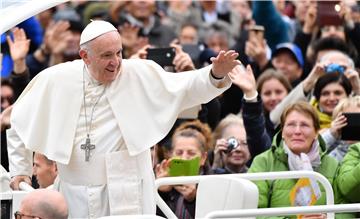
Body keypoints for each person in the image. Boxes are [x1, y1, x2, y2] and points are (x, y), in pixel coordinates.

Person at [7, 20, 239, 218]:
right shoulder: (56, 79)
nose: (116, 62)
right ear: (84, 56)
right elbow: (19, 120)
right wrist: (20, 169)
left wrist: (215, 73)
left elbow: (186, 87)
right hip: (74, 190)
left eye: (119, 53)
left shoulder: (138, 73)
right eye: (107, 55)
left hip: (127, 189)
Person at [248, 102, 353, 218]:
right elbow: (253, 212)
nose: (297, 131)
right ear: (282, 131)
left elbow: (346, 211)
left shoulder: (332, 164)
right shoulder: (263, 162)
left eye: (304, 125)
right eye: (291, 125)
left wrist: (327, 218)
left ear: (316, 132)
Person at [155, 120, 213, 219]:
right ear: (171, 154)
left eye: (191, 153)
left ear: (203, 158)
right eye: (179, 152)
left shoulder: (213, 182)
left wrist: (193, 200)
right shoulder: (163, 180)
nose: (184, 158)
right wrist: (161, 193)